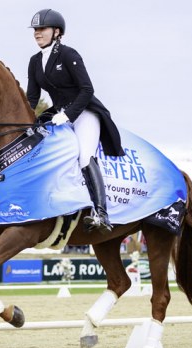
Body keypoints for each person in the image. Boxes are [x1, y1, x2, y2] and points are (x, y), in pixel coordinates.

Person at [27, 9, 125, 234]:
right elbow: (32, 98)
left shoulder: (69, 54)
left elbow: (87, 89)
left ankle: (101, 212)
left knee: (84, 156)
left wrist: (69, 114)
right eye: (35, 30)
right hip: (57, 114)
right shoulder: (35, 62)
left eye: (42, 29)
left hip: (84, 112)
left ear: (57, 32)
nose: (37, 33)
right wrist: (24, 120)